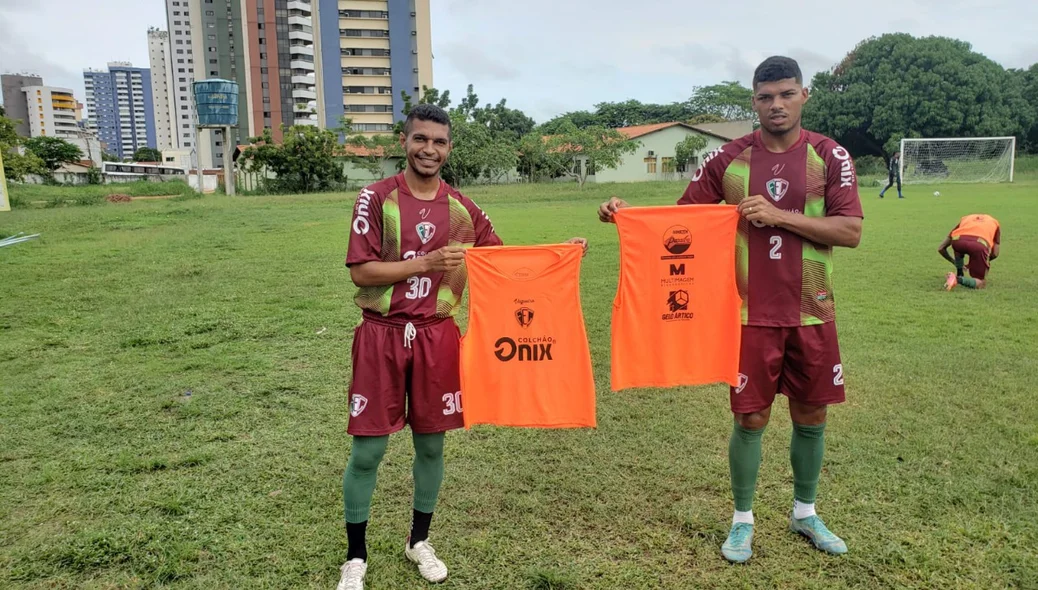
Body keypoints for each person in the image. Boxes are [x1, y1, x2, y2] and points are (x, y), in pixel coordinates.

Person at [598, 56, 863, 563]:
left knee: (812, 414)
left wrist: (779, 216)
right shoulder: (728, 160)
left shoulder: (831, 155)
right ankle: (742, 522)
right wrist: (627, 217)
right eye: (766, 97)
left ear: (804, 95)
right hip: (745, 313)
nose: (776, 105)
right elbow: (682, 221)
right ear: (754, 101)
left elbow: (850, 231)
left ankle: (805, 512)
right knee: (750, 418)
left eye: (786, 94)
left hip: (812, 310)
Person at [337, 103, 587, 590]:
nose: (429, 149)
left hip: (438, 337)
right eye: (420, 139)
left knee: (432, 448)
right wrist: (425, 262)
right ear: (404, 142)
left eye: (439, 141)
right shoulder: (375, 198)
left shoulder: (463, 208)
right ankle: (355, 556)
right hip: (381, 336)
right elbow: (362, 271)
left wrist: (563, 251)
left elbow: (505, 259)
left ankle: (419, 541)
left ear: (449, 148)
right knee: (368, 452)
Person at [938, 213, 1001, 290]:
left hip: (958, 240)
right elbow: (995, 253)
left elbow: (941, 248)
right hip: (979, 245)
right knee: (981, 283)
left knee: (958, 245)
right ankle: (957, 279)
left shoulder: (965, 219)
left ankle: (959, 272)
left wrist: (954, 262)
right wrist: (981, 262)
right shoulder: (995, 222)